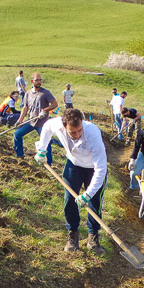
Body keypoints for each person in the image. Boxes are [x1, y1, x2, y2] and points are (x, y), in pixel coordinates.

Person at [34, 109, 108, 254]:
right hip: (73, 165)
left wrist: (87, 194)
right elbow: (47, 127)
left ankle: (93, 237)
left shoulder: (92, 133)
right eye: (73, 132)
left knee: (94, 202)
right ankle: (73, 235)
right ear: (64, 126)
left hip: (93, 168)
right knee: (69, 200)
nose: (77, 134)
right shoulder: (57, 125)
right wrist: (41, 150)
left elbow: (101, 168)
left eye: (79, 130)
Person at [14, 73, 57, 164]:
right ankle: (20, 156)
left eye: (40, 80)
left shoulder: (45, 93)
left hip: (42, 123)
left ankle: (48, 163)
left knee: (46, 142)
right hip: (31, 121)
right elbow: (25, 107)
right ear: (32, 81)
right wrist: (20, 120)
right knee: (17, 134)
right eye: (37, 80)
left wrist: (45, 110)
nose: (39, 82)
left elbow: (54, 104)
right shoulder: (28, 93)